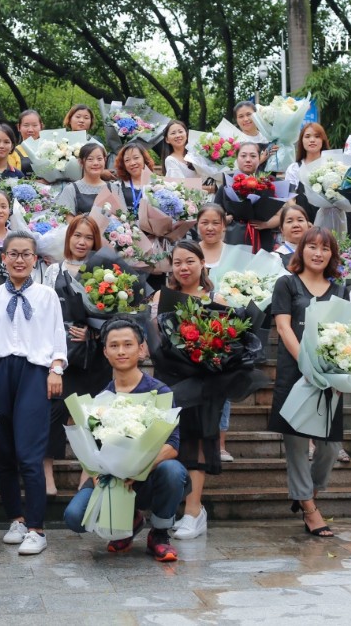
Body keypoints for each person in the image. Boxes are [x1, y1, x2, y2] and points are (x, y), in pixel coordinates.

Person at [0, 231, 67, 556]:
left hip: (33, 373)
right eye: (14, 253)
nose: (20, 259)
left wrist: (56, 369)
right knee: (2, 453)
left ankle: (37, 528)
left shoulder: (46, 295)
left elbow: (57, 334)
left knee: (29, 454)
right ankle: (16, 518)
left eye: (26, 254)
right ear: (4, 258)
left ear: (35, 259)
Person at [62, 317, 189, 562]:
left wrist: (139, 469)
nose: (121, 351)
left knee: (173, 471)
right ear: (105, 352)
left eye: (128, 344)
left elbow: (172, 445)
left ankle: (160, 534)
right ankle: (130, 520)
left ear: (142, 349)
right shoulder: (101, 398)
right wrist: (95, 472)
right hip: (111, 477)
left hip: (149, 476)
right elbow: (92, 448)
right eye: (114, 345)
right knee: (74, 518)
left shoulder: (159, 392)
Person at [268, 226, 345, 537]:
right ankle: (310, 510)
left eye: (324, 248)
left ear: (331, 255)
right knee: (297, 445)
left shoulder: (339, 289)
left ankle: (308, 493)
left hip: (330, 376)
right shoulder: (287, 284)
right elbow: (284, 328)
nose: (318, 252)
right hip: (294, 371)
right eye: (312, 246)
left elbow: (346, 332)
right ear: (301, 251)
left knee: (330, 446)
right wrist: (306, 363)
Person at [148, 241, 220, 540]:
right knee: (171, 442)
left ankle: (193, 511)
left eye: (189, 261)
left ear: (202, 262)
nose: (183, 267)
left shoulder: (216, 297)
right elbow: (152, 335)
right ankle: (169, 510)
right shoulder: (161, 296)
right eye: (177, 263)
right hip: (170, 378)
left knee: (198, 444)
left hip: (204, 382)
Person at [40, 216, 108, 495]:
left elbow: (117, 315)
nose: (82, 242)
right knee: (52, 413)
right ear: (68, 238)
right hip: (60, 354)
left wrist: (94, 333)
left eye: (88, 237)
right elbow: (42, 311)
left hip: (94, 358)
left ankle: (87, 477)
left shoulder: (105, 272)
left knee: (93, 417)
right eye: (77, 236)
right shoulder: (51, 270)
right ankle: (47, 479)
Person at [191, 204, 234, 463]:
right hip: (192, 330)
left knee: (223, 387)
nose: (210, 227)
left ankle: (221, 444)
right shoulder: (192, 252)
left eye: (215, 222)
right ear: (197, 225)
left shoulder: (236, 254)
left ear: (224, 226)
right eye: (204, 222)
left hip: (224, 330)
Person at [215, 142, 279, 252]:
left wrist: (266, 224)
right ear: (237, 158)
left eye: (253, 156)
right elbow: (214, 214)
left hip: (262, 238)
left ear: (260, 158)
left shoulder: (269, 184)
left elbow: (280, 214)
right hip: (233, 238)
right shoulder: (227, 185)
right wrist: (225, 220)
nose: (248, 160)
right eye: (243, 156)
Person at [55, 142, 125, 218]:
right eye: (90, 159)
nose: (95, 163)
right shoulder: (71, 189)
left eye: (99, 159)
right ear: (81, 162)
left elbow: (123, 218)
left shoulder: (114, 188)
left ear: (105, 160)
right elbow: (67, 221)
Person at [282, 122, 330, 222]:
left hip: (329, 219)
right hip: (304, 222)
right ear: (302, 141)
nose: (312, 140)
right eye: (307, 136)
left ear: (323, 140)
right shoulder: (294, 168)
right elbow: (290, 197)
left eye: (317, 136)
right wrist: (303, 221)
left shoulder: (332, 165)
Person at [114, 142, 156, 213]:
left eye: (136, 158)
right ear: (123, 164)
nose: (132, 163)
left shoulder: (157, 184)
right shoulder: (117, 187)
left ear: (144, 159)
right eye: (127, 160)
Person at [233, 101, 275, 168]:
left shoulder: (267, 137)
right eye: (241, 116)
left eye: (249, 114)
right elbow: (234, 169)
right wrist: (260, 161)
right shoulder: (235, 142)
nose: (246, 119)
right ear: (236, 120)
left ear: (257, 115)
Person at [9, 109, 42, 174]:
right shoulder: (12, 153)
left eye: (35, 125)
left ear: (41, 126)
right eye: (26, 125)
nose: (30, 130)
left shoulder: (51, 150)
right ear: (18, 127)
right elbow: (11, 179)